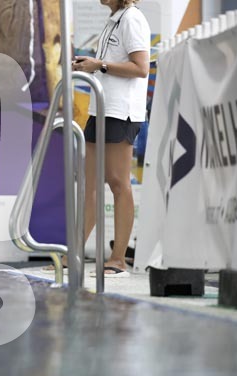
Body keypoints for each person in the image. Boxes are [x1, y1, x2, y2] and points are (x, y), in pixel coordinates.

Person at [71, 0, 150, 277]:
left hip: (120, 111)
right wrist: (91, 66)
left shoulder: (132, 19)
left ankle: (118, 260)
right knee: (90, 184)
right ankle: (73, 254)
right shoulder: (114, 19)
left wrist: (99, 65)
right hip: (100, 109)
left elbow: (141, 67)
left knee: (118, 183)